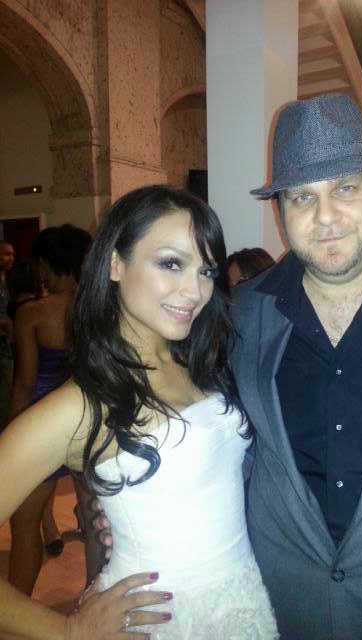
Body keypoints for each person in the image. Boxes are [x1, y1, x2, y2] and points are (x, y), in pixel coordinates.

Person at [95, 93, 362, 639]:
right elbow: (203, 428)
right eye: (302, 196)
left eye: (345, 188)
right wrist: (145, 506)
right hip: (283, 610)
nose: (325, 217)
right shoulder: (240, 313)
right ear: (279, 212)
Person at [0, 186, 278, 640]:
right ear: (115, 263)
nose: (195, 290)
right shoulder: (80, 405)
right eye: (171, 263)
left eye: (206, 270)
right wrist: (68, 630)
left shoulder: (200, 362)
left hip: (242, 603)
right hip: (161, 621)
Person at [8, 225, 93, 596]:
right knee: (96, 524)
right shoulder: (98, 310)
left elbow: (24, 383)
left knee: (25, 525)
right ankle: (92, 600)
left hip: (43, 423)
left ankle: (17, 609)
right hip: (90, 421)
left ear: (48, 264)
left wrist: (13, 435)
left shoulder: (32, 314)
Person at [0, 240, 15, 429]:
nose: (10, 258)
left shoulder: (10, 279)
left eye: (12, 254)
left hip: (7, 343)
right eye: (6, 254)